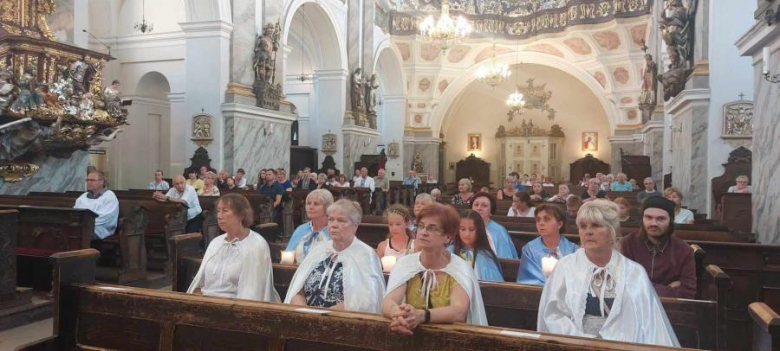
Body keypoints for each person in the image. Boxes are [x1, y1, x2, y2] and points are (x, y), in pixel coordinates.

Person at [537, 200, 680, 347]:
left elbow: (649, 324)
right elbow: (553, 314)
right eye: (583, 226)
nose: (588, 231)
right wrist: (583, 341)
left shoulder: (634, 272)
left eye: (596, 225)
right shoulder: (565, 266)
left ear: (612, 231)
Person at [383, 203, 487, 336]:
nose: (423, 232)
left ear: (448, 237)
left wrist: (422, 315)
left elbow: (459, 311)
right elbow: (388, 301)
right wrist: (398, 315)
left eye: (432, 228)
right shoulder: (405, 264)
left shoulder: (460, 268)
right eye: (421, 226)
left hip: (452, 339)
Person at [285, 199, 385, 312]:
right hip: (306, 320)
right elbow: (297, 292)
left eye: (341, 221)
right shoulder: (319, 251)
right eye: (331, 220)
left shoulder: (366, 255)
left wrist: (326, 315)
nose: (334, 225)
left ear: (355, 226)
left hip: (342, 322)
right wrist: (305, 313)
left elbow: (367, 301)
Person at [187, 194, 280, 302]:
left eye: (225, 211)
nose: (219, 216)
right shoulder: (216, 243)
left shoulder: (256, 244)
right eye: (218, 211)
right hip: (207, 303)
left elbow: (253, 293)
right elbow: (199, 283)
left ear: (241, 214)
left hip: (235, 307)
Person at [620, 197, 696, 299]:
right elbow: (621, 286)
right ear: (642, 219)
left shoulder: (684, 251)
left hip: (669, 310)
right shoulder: (626, 244)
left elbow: (688, 292)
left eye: (661, 219)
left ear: (671, 221)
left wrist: (640, 287)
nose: (653, 223)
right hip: (632, 308)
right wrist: (667, 289)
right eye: (648, 217)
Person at [517, 204, 578, 285]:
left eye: (546, 219)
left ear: (559, 224)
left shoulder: (573, 250)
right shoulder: (530, 249)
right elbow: (527, 280)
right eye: (538, 220)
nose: (541, 223)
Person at [450, 210, 503, 282]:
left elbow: (494, 287)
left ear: (479, 230)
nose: (467, 234)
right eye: (462, 229)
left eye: (471, 229)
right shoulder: (449, 252)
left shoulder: (485, 257)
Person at [286, 189, 333, 263]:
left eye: (316, 204)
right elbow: (287, 258)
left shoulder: (334, 230)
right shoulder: (301, 229)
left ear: (327, 208)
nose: (310, 207)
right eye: (308, 203)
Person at [75, 170, 119, 240]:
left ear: (101, 182)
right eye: (88, 180)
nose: (89, 182)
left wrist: (84, 223)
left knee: (80, 233)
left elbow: (105, 217)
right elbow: (75, 213)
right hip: (83, 226)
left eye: (92, 180)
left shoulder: (109, 196)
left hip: (101, 229)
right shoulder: (83, 197)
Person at [472, 192, 518, 259]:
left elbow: (505, 261)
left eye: (484, 206)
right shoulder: (464, 227)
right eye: (476, 205)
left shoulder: (499, 231)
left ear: (491, 211)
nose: (479, 208)